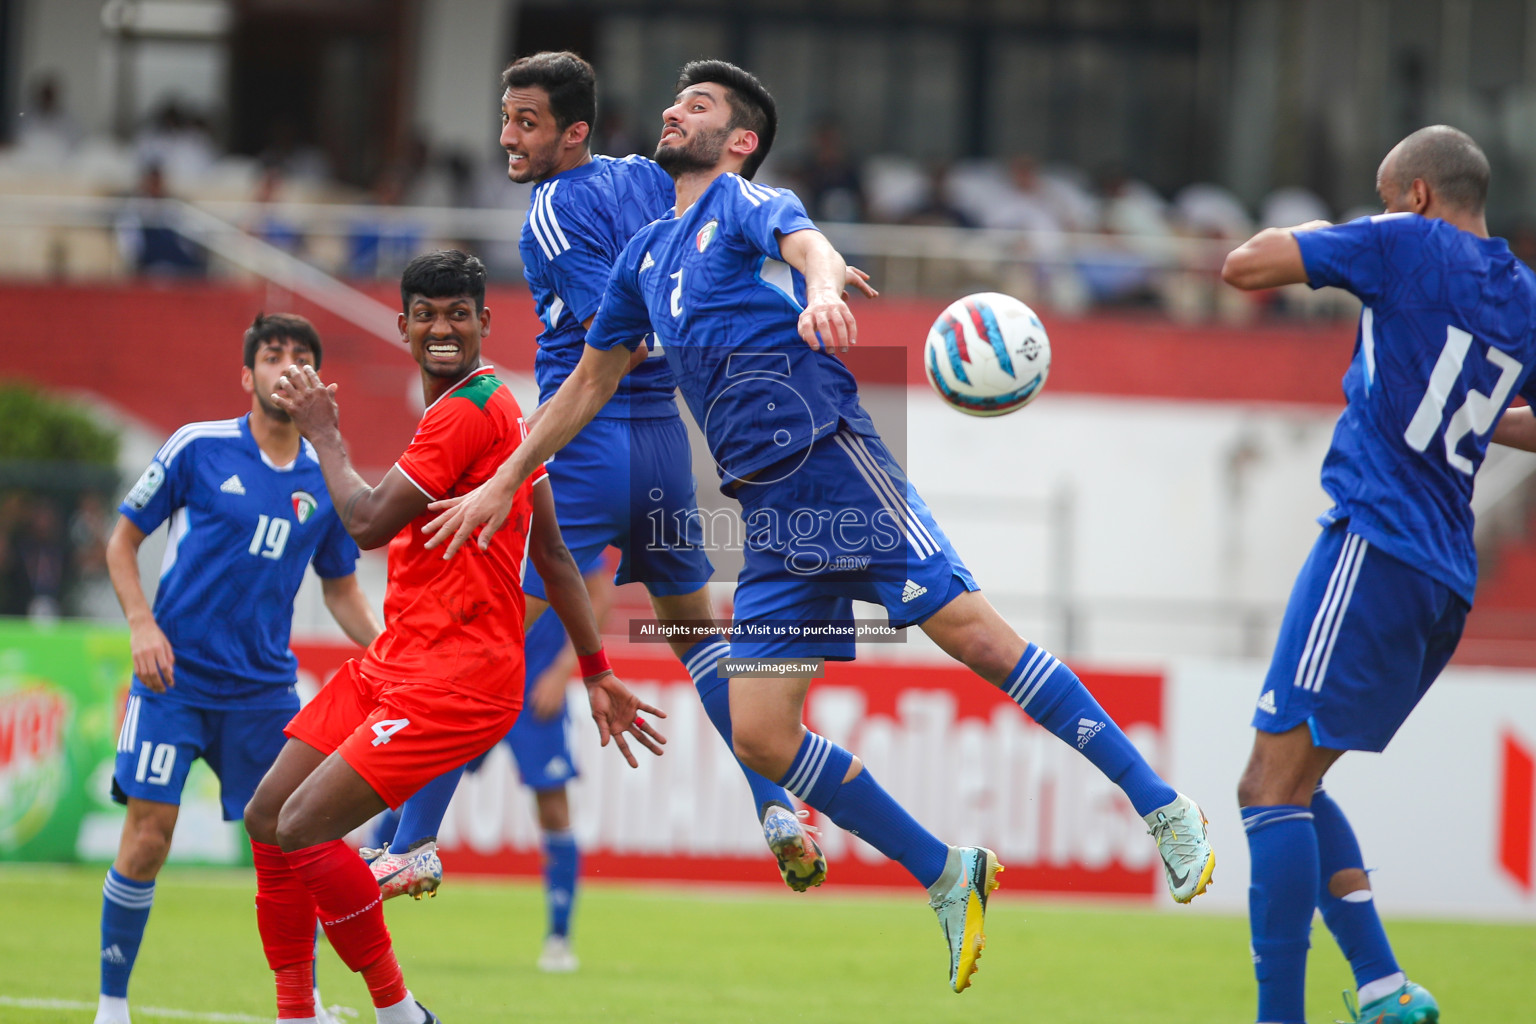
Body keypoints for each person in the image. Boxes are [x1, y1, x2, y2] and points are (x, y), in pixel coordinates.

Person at [423, 60, 1216, 996]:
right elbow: (589, 383)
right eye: (677, 101)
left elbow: (807, 244)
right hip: (765, 515)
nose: (677, 111)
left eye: (701, 105)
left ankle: (1161, 805)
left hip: (834, 467)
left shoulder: (745, 205)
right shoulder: (645, 257)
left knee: (975, 638)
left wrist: (824, 289)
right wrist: (509, 475)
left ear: (741, 140)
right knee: (761, 734)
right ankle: (947, 871)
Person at [365, 56, 835, 963]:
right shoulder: (642, 178)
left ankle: (414, 838)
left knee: (479, 639)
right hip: (666, 442)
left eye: (528, 123)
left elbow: (606, 341)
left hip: (583, 440)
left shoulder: (551, 211)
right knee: (702, 644)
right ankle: (777, 805)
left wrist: (515, 469)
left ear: (573, 132)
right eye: (507, 118)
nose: (508, 137)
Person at [240, 250, 662, 1024]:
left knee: (302, 828)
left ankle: (401, 1008)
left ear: (482, 323)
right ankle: (297, 1012)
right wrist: (599, 671)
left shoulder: (474, 410)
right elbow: (556, 556)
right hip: (399, 658)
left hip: (458, 677)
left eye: (458, 314)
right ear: (403, 325)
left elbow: (367, 523)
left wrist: (323, 435)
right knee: (268, 815)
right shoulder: (496, 412)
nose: (442, 328)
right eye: (427, 314)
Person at [1221, 125, 1536, 1024]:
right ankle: (1384, 987)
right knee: (1299, 781)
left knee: (1266, 788)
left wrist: (1354, 234)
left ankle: (1280, 1015)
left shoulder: (1401, 240)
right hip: (1445, 578)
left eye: (1388, 194)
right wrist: (1478, 426)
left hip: (1374, 541)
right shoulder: (1524, 298)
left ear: (1418, 196)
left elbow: (1246, 267)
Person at [97, 313, 381, 1024]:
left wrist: (385, 649)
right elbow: (121, 543)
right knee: (148, 836)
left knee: (293, 844)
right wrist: (141, 625)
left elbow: (340, 587)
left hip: (262, 693)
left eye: (301, 359)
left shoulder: (324, 481)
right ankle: (110, 1004)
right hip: (174, 682)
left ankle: (305, 1004)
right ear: (246, 374)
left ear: (320, 380)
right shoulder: (198, 448)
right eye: (273, 355)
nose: (287, 368)